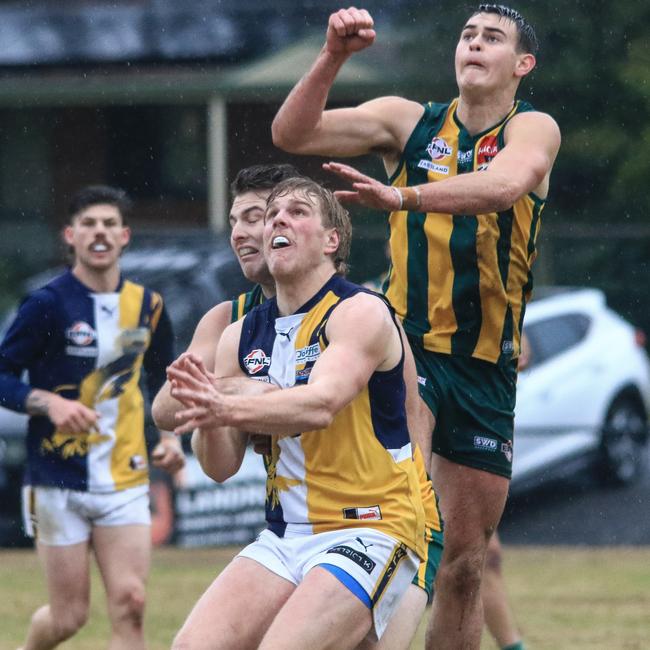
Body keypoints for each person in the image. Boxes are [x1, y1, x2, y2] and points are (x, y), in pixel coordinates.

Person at [271, 5, 561, 649]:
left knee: (467, 560)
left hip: (487, 365)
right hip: (408, 352)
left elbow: (504, 185)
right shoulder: (408, 121)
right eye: (467, 35)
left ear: (522, 64)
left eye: (492, 38)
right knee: (414, 534)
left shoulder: (533, 127)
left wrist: (401, 196)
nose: (474, 44)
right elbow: (294, 134)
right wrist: (333, 57)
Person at [153, 165, 442, 650]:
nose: (275, 223)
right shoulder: (237, 333)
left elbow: (321, 405)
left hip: (372, 526)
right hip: (286, 533)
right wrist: (208, 413)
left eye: (296, 212)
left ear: (331, 240)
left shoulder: (359, 311)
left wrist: (226, 403)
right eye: (269, 216)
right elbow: (220, 467)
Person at [0, 185, 185, 650]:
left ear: (124, 236)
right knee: (69, 617)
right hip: (56, 478)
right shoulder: (46, 304)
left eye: (108, 224)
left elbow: (165, 379)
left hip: (125, 476)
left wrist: (171, 439)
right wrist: (50, 404)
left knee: (131, 601)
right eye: (88, 224)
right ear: (71, 236)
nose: (99, 233)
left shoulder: (150, 306)